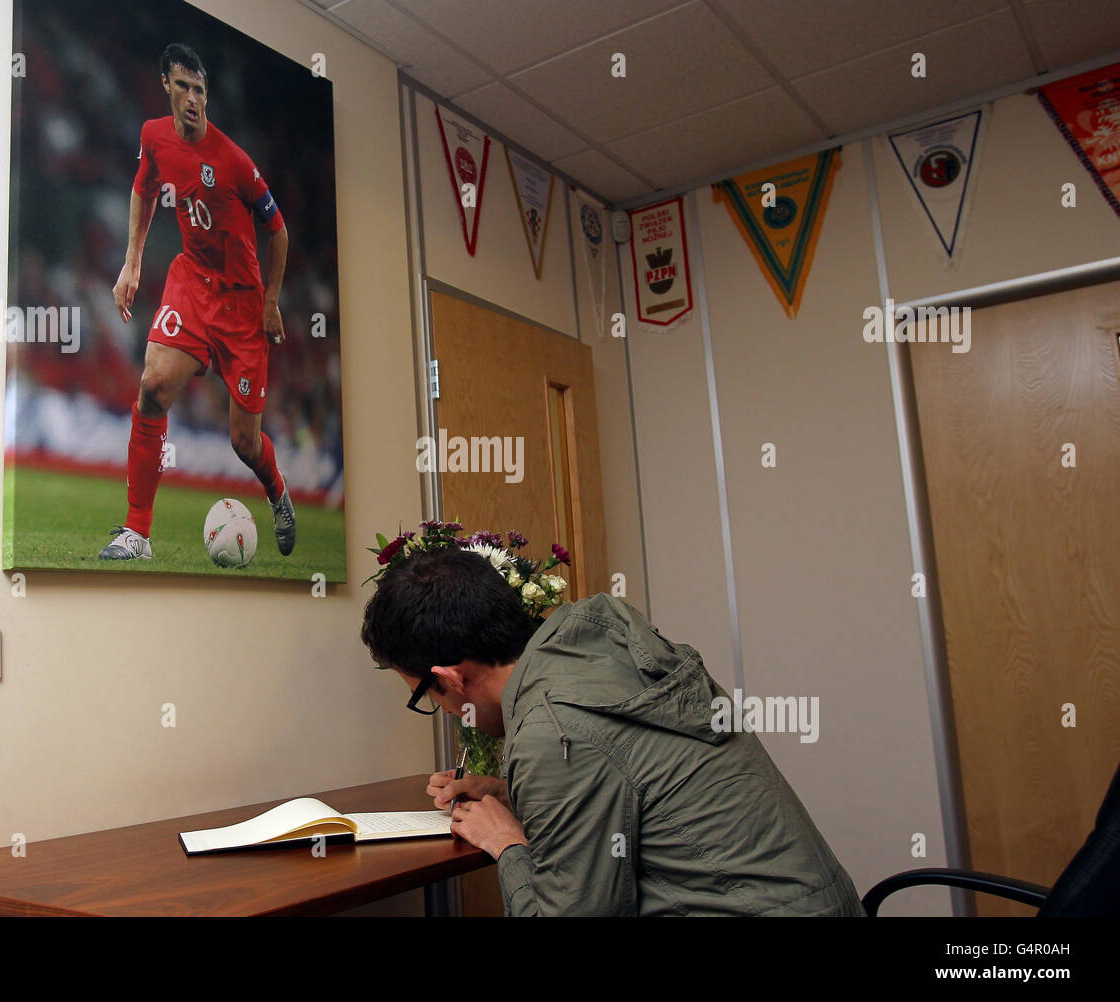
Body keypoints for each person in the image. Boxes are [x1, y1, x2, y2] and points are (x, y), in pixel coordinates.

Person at [360, 547, 866, 916]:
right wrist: (511, 793)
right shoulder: (595, 644)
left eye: (425, 696)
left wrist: (507, 844)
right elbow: (637, 779)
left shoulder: (549, 729)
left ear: (450, 677)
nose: (442, 709)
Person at [100, 42, 296, 561]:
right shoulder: (153, 136)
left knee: (244, 444)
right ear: (166, 84)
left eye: (201, 90)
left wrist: (271, 302)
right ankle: (136, 532)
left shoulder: (234, 161)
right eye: (184, 86)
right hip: (192, 281)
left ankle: (277, 492)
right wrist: (133, 262)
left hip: (241, 305)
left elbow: (278, 231)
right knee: (154, 386)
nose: (193, 98)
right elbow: (143, 188)